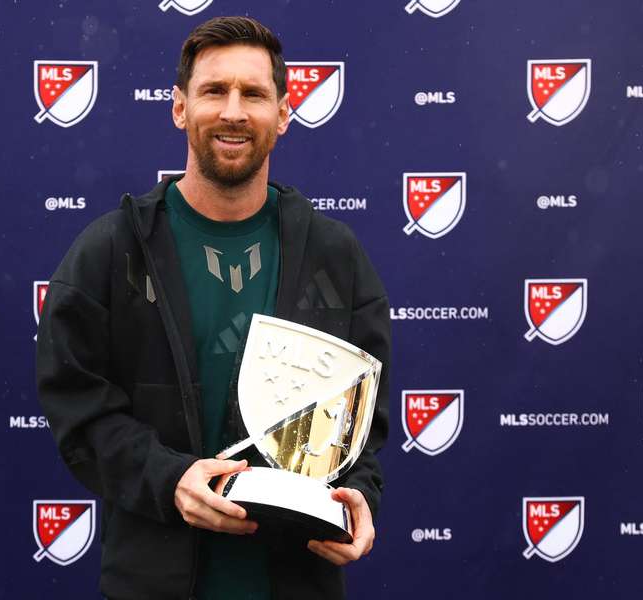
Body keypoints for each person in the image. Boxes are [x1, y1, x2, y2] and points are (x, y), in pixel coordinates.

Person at [36, 16, 390, 600]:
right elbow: (79, 410)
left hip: (297, 581)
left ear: (282, 114)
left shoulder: (336, 257)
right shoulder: (113, 250)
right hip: (153, 583)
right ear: (179, 108)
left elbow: (364, 422)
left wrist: (361, 496)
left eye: (253, 93)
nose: (233, 111)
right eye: (213, 91)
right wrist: (170, 479)